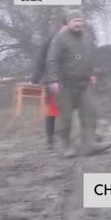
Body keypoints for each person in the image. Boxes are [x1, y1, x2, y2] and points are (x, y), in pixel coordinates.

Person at [46, 10, 111, 158]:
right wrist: (53, 80)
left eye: (80, 21)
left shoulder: (87, 39)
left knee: (89, 112)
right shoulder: (60, 39)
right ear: (68, 22)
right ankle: (66, 146)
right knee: (66, 116)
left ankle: (90, 144)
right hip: (65, 84)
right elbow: (51, 61)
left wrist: (93, 72)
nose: (78, 24)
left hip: (84, 83)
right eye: (75, 21)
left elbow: (90, 58)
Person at [31, 18, 68, 149]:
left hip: (69, 80)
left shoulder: (73, 40)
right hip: (54, 80)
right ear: (62, 26)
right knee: (53, 110)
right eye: (66, 26)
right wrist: (35, 79)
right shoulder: (50, 41)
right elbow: (41, 61)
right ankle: (50, 139)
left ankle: (73, 137)